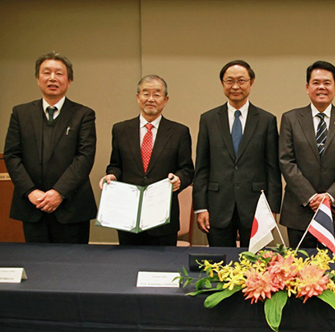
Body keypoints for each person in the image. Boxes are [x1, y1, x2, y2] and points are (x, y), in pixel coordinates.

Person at [4, 51, 97, 244]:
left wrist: (58, 193)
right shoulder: (20, 113)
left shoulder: (83, 114)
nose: (52, 78)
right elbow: (12, 156)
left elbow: (84, 157)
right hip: (33, 206)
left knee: (73, 267)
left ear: (69, 81)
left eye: (59, 73)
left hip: (71, 207)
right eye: (46, 72)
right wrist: (30, 191)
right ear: (38, 79)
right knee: (37, 266)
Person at [193, 60, 281, 247]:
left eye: (241, 80)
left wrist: (272, 208)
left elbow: (272, 168)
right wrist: (201, 207)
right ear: (222, 84)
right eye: (229, 81)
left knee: (255, 267)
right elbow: (201, 167)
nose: (235, 86)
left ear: (251, 82)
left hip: (256, 207)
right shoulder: (208, 119)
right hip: (217, 205)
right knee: (219, 264)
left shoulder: (266, 120)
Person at [99, 75, 194, 246]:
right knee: (128, 267)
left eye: (157, 94)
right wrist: (111, 176)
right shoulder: (121, 130)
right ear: (138, 98)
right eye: (145, 93)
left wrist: (179, 180)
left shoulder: (179, 132)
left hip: (163, 219)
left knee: (163, 268)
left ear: (165, 100)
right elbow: (115, 165)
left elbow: (187, 169)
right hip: (128, 217)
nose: (150, 99)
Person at [279, 61, 335, 249]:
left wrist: (329, 197)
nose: (321, 87)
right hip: (300, 209)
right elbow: (286, 161)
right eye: (316, 83)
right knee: (299, 272)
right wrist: (311, 197)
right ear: (307, 87)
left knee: (333, 271)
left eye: (327, 82)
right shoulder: (290, 119)